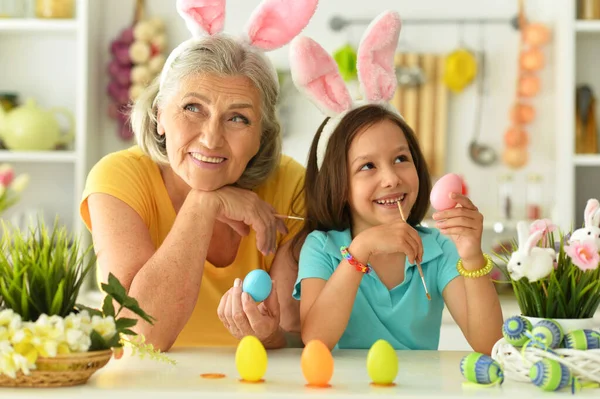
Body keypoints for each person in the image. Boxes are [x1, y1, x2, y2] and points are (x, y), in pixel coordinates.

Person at [80, 0, 318, 351]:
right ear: (160, 114)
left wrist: (271, 337)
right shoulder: (118, 178)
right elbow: (140, 335)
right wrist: (204, 205)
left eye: (238, 118)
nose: (211, 138)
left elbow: (302, 336)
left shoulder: (291, 186)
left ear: (262, 136)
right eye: (193, 108)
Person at [288, 10, 503, 354]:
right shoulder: (324, 248)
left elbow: (488, 342)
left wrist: (472, 255)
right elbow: (316, 338)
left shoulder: (437, 249)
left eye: (401, 159)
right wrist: (360, 252)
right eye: (367, 167)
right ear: (338, 185)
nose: (391, 178)